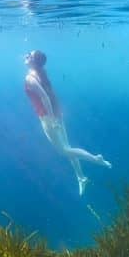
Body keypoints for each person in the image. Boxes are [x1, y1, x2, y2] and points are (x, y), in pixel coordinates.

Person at [24, 49, 111, 196]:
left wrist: (51, 120)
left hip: (48, 117)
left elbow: (45, 97)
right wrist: (56, 117)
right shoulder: (41, 72)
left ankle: (96, 159)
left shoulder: (30, 79)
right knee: (68, 147)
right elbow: (50, 95)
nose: (26, 56)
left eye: (30, 55)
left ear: (34, 61)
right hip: (56, 114)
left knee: (63, 151)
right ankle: (81, 177)